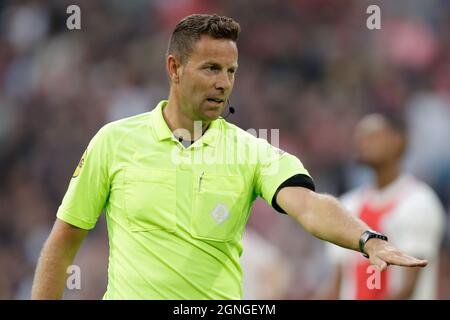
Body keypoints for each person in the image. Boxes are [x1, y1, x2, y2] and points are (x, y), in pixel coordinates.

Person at [31, 14, 427, 300]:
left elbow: (308, 206)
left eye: (231, 70)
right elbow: (66, 239)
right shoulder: (113, 142)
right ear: (175, 68)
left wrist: (367, 239)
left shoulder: (251, 151)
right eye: (210, 69)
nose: (223, 83)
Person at [324, 113, 445, 300]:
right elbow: (337, 284)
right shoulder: (347, 205)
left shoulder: (418, 202)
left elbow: (407, 287)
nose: (361, 141)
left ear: (398, 142)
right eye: (359, 135)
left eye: (372, 135)